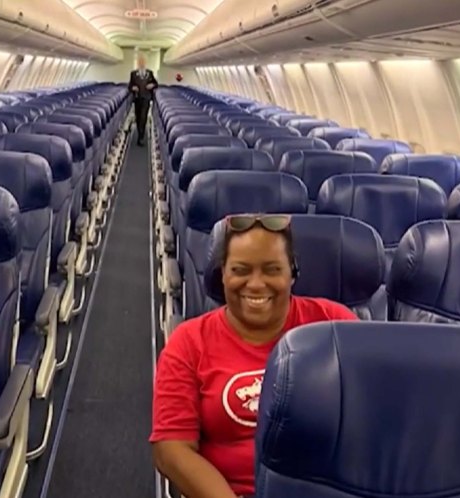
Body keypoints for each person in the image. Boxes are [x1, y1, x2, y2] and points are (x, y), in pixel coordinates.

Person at [150, 214, 359, 498]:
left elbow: (371, 420)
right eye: (240, 270)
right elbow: (172, 449)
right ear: (222, 273)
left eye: (272, 270)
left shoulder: (334, 324)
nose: (256, 284)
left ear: (292, 273)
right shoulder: (188, 342)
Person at [129, 53, 158, 146]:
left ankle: (141, 137)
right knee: (138, 118)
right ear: (138, 63)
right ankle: (139, 133)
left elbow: (156, 84)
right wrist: (133, 88)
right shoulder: (133, 74)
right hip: (137, 98)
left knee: (143, 117)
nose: (141, 63)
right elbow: (129, 86)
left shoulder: (150, 73)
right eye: (140, 61)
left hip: (146, 98)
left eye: (143, 61)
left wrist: (152, 85)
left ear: (145, 63)